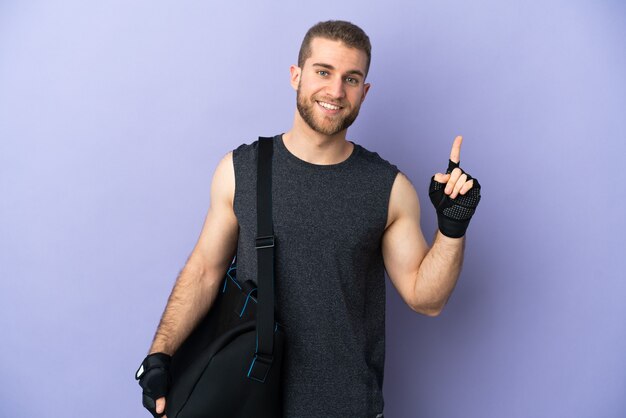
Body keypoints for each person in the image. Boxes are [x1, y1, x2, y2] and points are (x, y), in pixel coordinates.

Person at [136, 20, 481, 418]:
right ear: (295, 76)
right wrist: (159, 355)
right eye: (323, 72)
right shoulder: (240, 170)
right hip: (247, 401)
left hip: (348, 407)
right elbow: (203, 271)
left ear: (364, 92)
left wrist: (452, 228)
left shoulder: (389, 188)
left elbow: (427, 300)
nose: (335, 91)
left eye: (351, 79)